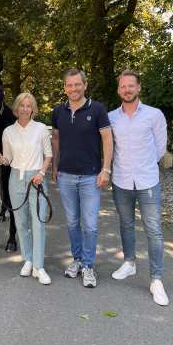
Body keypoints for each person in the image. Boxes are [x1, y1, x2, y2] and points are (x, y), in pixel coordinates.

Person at [108, 70, 169, 306]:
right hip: (121, 180)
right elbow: (109, 146)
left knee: (153, 230)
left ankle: (156, 279)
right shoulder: (112, 117)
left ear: (139, 88)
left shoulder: (154, 115)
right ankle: (129, 263)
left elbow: (160, 148)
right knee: (126, 224)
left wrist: (143, 166)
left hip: (147, 181)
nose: (127, 90)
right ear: (118, 90)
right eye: (123, 87)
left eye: (131, 86)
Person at [51, 69, 113, 288]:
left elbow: (107, 139)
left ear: (85, 85)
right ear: (65, 87)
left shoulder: (97, 109)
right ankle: (77, 260)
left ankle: (88, 265)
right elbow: (56, 140)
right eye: (69, 85)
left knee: (90, 225)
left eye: (77, 84)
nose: (73, 88)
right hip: (66, 176)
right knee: (72, 222)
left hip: (90, 177)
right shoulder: (58, 111)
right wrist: (55, 167)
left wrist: (106, 169)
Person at [0, 93, 53, 285]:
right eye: (22, 105)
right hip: (16, 179)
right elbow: (8, 159)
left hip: (36, 178)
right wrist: (1, 159)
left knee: (39, 222)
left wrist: (41, 173)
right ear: (16, 109)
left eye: (29, 105)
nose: (25, 109)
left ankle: (39, 266)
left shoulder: (41, 129)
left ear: (33, 108)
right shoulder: (8, 131)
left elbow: (48, 155)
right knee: (21, 222)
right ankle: (28, 259)